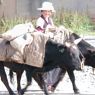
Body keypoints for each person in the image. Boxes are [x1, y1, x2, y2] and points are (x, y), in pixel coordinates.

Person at [35, 1, 63, 91]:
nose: (47, 13)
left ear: (50, 12)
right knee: (51, 62)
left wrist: (57, 29)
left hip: (50, 43)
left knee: (58, 62)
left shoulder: (50, 20)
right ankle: (47, 83)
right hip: (43, 44)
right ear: (42, 11)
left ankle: (51, 83)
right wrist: (46, 30)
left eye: (48, 11)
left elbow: (53, 30)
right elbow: (38, 32)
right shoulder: (40, 20)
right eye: (45, 11)